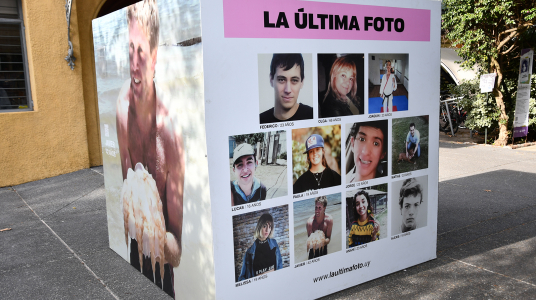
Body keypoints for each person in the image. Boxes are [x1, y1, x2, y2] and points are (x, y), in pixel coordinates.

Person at [116, 1, 183, 296]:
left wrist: (161, 233)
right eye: (130, 49)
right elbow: (126, 203)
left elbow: (177, 252)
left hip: (162, 270)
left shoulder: (169, 135)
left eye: (141, 52)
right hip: (135, 252)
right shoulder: (121, 109)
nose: (134, 63)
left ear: (155, 58)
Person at [260, 54, 313, 123]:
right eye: (281, 80)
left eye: (294, 80)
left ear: (302, 82)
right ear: (271, 79)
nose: (288, 90)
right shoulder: (260, 120)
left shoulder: (312, 115)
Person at [238, 213, 283, 281]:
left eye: (270, 227)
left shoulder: (274, 244)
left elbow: (280, 266)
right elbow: (241, 278)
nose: (267, 230)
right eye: (265, 226)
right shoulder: (249, 253)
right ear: (259, 227)